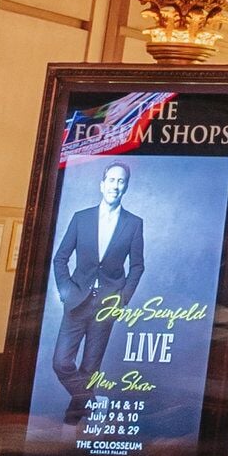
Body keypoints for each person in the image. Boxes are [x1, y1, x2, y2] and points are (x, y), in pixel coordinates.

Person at [44, 160, 148, 425]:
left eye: (121, 181)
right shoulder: (82, 218)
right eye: (111, 180)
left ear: (126, 187)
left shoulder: (134, 223)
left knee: (90, 369)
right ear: (102, 185)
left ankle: (72, 422)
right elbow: (60, 259)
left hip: (107, 306)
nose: (115, 185)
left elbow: (137, 266)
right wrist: (66, 291)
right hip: (77, 302)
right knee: (61, 362)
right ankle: (90, 403)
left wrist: (122, 300)